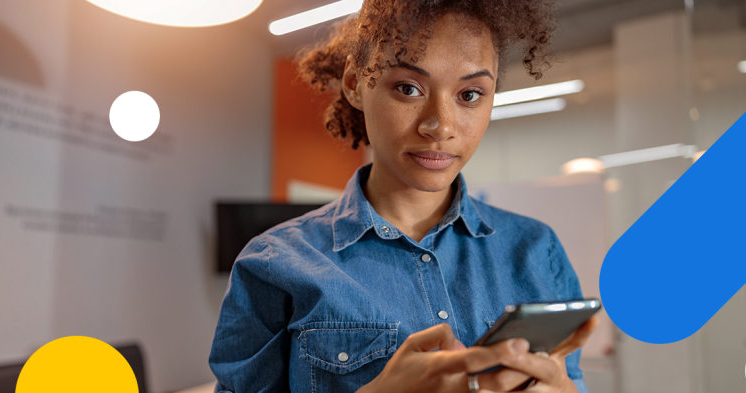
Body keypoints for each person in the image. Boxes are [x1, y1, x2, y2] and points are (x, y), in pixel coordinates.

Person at [209, 0, 600, 391]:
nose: (440, 126)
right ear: (354, 84)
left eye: (470, 95)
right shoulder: (275, 263)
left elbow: (572, 377)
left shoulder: (537, 249)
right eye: (409, 88)